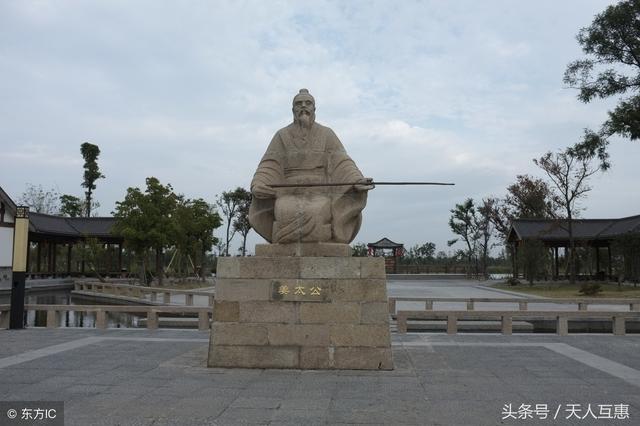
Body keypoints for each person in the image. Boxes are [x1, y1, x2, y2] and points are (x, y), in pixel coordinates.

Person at [249, 89, 373, 244]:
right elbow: (269, 164)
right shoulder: (281, 135)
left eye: (308, 103)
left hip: (319, 193)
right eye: (298, 104)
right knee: (284, 210)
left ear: (314, 108)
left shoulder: (327, 134)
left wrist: (356, 180)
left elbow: (342, 161)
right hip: (289, 193)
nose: (303, 106)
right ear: (292, 109)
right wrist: (259, 183)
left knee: (318, 210)